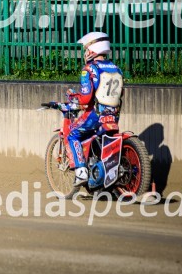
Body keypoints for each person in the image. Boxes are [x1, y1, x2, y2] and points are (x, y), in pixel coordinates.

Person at [43, 32, 123, 187]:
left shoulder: (89, 69)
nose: (85, 52)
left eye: (86, 48)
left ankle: (81, 172)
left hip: (96, 115)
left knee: (72, 134)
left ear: (93, 49)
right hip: (113, 115)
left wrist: (74, 98)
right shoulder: (116, 69)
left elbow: (86, 98)